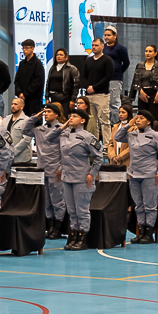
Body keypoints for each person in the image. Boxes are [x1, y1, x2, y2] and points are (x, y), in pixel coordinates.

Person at [116, 109, 158, 244]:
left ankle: (149, 233)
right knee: (138, 205)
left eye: (141, 118)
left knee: (149, 205)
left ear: (149, 121)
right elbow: (117, 137)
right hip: (134, 174)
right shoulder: (132, 135)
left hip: (149, 174)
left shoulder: (156, 136)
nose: (138, 120)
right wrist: (129, 124)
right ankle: (141, 232)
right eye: (137, 117)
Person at [56, 107, 103, 250]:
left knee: (81, 210)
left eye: (75, 116)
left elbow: (99, 156)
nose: (71, 118)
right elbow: (49, 139)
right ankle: (73, 236)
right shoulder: (64, 134)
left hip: (82, 178)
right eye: (70, 116)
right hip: (67, 177)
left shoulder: (88, 137)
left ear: (82, 120)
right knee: (71, 210)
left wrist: (92, 173)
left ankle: (82, 238)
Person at [25, 103, 67, 238]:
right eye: (45, 112)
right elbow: (25, 130)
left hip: (55, 169)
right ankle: (50, 227)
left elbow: (65, 151)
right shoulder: (40, 129)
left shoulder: (62, 129)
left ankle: (58, 228)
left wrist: (61, 168)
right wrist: (34, 118)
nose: (46, 114)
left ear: (56, 114)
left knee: (57, 200)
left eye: (49, 111)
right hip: (42, 169)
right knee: (46, 201)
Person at [83, 37, 115, 144]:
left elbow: (108, 77)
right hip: (89, 95)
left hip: (102, 95)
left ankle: (107, 145)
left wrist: (94, 87)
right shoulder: (88, 60)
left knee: (104, 121)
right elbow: (83, 76)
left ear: (102, 46)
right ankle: (93, 143)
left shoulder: (107, 60)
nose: (94, 47)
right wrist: (87, 87)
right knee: (92, 121)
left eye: (96, 45)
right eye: (92, 45)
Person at [102, 25, 131, 117]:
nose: (106, 37)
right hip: (103, 78)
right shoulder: (103, 47)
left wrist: (118, 71)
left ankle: (115, 122)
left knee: (114, 102)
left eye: (109, 35)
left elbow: (126, 62)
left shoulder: (120, 48)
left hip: (115, 78)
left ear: (115, 36)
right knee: (105, 102)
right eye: (105, 35)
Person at [15, 39, 45, 115]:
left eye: (26, 48)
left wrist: (26, 94)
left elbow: (38, 82)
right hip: (22, 99)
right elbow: (17, 80)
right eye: (23, 48)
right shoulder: (22, 63)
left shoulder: (37, 64)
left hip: (34, 99)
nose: (24, 50)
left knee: (33, 119)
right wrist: (19, 93)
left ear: (32, 48)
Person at [4, 95, 33, 164]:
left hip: (22, 159)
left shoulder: (27, 121)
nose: (13, 106)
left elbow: (26, 139)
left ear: (21, 106)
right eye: (12, 104)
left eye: (15, 104)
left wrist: (14, 151)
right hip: (7, 157)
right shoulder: (5, 120)